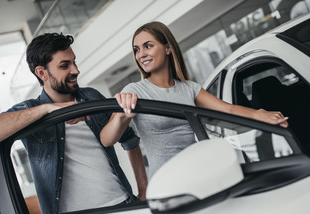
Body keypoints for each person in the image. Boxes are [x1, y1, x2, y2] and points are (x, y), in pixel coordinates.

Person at [0, 33, 148, 214]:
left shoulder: (91, 96)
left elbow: (129, 140)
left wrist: (143, 189)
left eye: (74, 62)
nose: (76, 70)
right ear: (42, 73)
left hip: (123, 205)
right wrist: (46, 110)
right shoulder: (30, 111)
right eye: (64, 65)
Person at [100, 21, 289, 179]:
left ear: (167, 48)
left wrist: (259, 114)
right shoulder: (134, 91)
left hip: (198, 174)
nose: (141, 54)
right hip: (167, 181)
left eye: (148, 46)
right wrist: (121, 117)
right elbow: (107, 140)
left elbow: (228, 110)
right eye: (136, 50)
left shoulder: (189, 88)